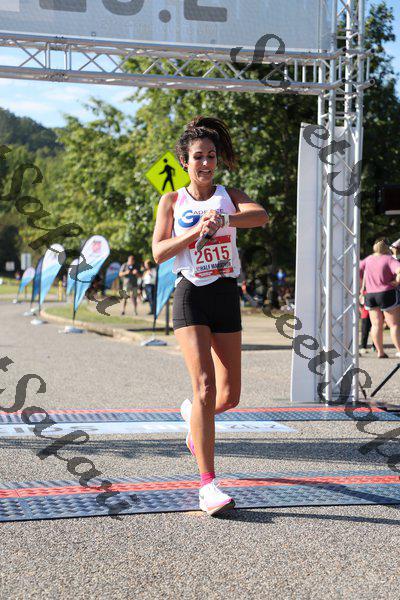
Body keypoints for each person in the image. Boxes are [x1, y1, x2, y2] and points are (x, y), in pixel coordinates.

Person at [152, 116, 268, 516]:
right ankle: (208, 485)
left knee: (228, 397)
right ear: (184, 162)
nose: (205, 163)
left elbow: (261, 216)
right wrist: (193, 232)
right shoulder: (171, 201)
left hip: (224, 294)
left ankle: (194, 421)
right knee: (203, 386)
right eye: (198, 157)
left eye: (211, 156)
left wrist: (226, 219)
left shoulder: (228, 195)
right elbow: (159, 252)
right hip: (191, 294)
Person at [360, 238, 400, 358]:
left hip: (370, 294)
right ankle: (399, 350)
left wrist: (362, 286)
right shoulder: (388, 259)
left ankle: (380, 352)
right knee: (394, 324)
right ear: (386, 248)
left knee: (376, 324)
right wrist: (396, 282)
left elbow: (358, 271)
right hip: (386, 293)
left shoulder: (368, 259)